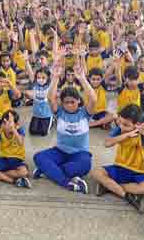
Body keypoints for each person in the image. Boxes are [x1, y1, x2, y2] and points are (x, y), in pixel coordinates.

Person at [32, 59, 97, 194]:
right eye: (66, 102)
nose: (69, 105)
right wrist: (55, 77)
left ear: (79, 101)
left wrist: (82, 78)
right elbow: (50, 97)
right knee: (38, 157)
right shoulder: (59, 112)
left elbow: (93, 99)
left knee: (86, 165)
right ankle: (67, 182)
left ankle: (49, 171)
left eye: (72, 102)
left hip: (79, 153)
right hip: (60, 152)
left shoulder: (85, 113)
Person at [91, 104, 144, 212]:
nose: (121, 126)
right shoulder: (120, 130)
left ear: (137, 124)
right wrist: (127, 134)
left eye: (126, 124)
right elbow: (107, 143)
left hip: (137, 171)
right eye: (120, 122)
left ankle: (110, 187)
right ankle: (127, 195)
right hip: (119, 168)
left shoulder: (141, 134)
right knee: (96, 172)